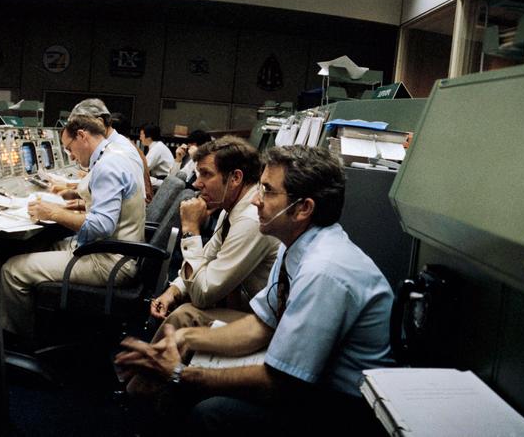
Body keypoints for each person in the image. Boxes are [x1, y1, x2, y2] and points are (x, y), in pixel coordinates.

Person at [115, 145, 393, 435]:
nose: (257, 201)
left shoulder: (324, 271)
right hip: (309, 380)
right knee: (188, 360)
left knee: (211, 413)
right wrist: (186, 338)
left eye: (268, 191)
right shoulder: (297, 246)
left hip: (342, 407)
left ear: (303, 208)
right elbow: (261, 325)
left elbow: (281, 383)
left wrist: (183, 374)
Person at [1, 114, 146, 338]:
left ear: (82, 136)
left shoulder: (107, 166)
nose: (70, 155)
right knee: (39, 247)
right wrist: (78, 201)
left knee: (12, 270)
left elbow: (101, 226)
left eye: (70, 148)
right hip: (115, 252)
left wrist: (52, 212)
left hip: (108, 261)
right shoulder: (114, 156)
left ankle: (19, 343)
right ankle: (47, 325)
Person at [148, 136, 279, 337]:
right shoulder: (230, 208)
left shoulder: (251, 219)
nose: (198, 183)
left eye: (206, 174)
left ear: (235, 178)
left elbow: (203, 294)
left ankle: (150, 366)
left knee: (185, 314)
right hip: (245, 302)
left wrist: (191, 228)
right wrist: (173, 291)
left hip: (267, 322)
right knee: (183, 303)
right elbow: (207, 258)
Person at [58, 99, 153, 202]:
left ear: (100, 122)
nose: (80, 136)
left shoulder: (119, 151)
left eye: (79, 130)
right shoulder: (109, 147)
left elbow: (112, 210)